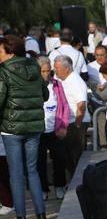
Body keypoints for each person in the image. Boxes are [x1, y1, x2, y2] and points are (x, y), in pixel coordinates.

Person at [0, 35, 49, 219]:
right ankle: (42, 217)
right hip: (34, 127)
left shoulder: (3, 71)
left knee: (16, 175)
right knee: (33, 172)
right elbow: (44, 95)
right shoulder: (34, 67)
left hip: (11, 128)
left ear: (10, 51)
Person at [53, 55, 90, 177]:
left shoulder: (75, 81)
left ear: (67, 68)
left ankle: (78, 183)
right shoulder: (65, 80)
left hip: (77, 123)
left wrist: (77, 124)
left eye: (57, 67)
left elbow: (81, 105)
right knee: (69, 156)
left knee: (76, 157)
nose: (55, 70)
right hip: (70, 123)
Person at [36, 56, 67, 200]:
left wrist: (63, 126)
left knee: (59, 159)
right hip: (38, 131)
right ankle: (43, 189)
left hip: (55, 129)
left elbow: (64, 106)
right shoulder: (32, 86)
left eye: (49, 71)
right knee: (39, 162)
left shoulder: (57, 85)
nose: (46, 74)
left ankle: (60, 186)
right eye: (43, 71)